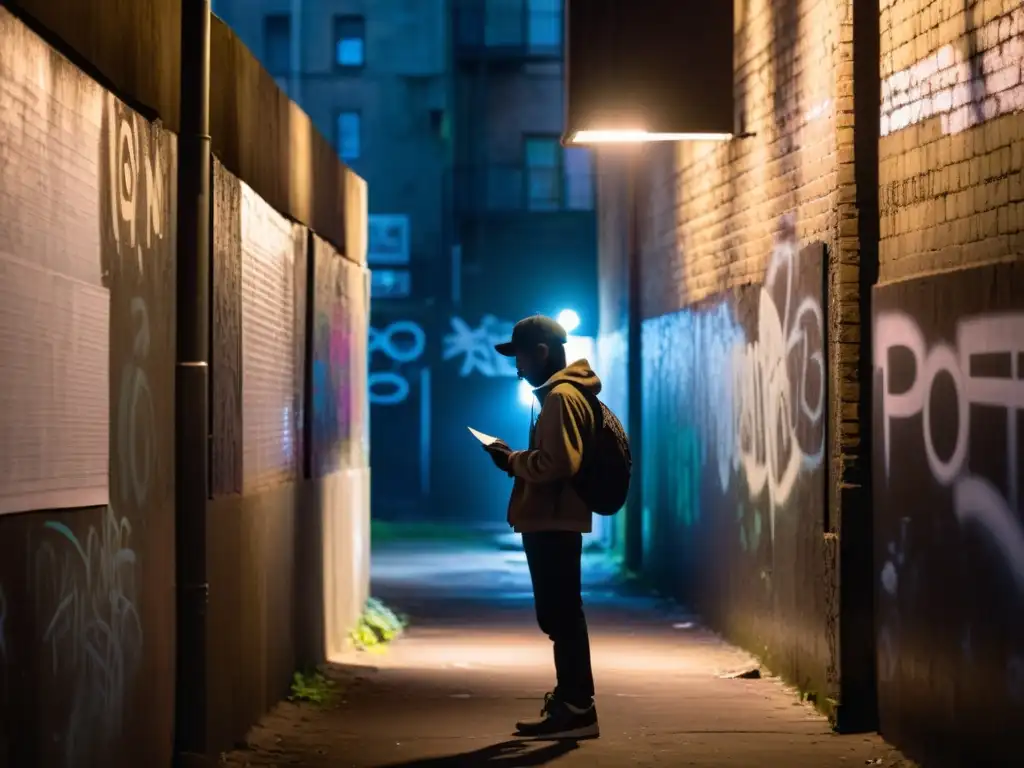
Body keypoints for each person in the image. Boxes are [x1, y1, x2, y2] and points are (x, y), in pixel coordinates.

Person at [482, 315, 600, 740]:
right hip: (552, 517)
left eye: (521, 357)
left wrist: (511, 460)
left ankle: (577, 708)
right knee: (559, 613)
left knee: (561, 614)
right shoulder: (561, 395)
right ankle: (573, 704)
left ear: (542, 352)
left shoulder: (561, 398)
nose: (517, 367)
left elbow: (558, 464)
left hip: (554, 519)